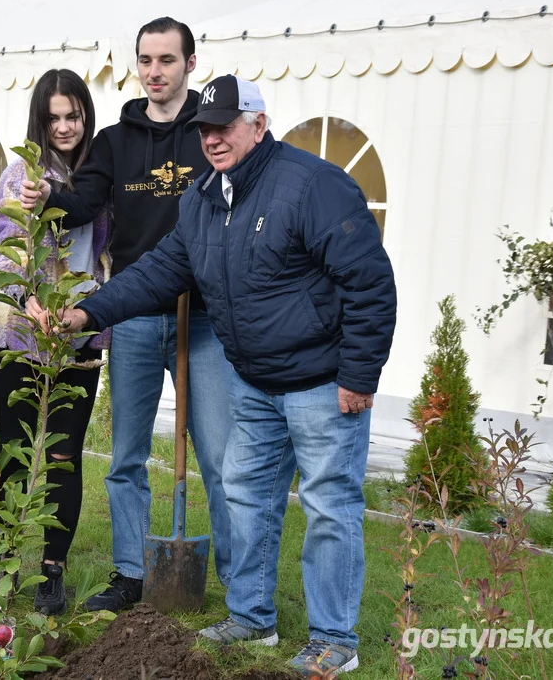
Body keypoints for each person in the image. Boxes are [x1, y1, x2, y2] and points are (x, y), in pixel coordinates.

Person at [28, 75, 397, 677]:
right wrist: (83, 313)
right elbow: (158, 271)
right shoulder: (204, 198)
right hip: (253, 379)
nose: (214, 138)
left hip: (322, 383)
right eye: (205, 128)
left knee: (330, 506)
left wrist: (359, 375)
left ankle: (334, 639)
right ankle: (252, 618)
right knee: (246, 496)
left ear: (259, 122)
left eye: (226, 125)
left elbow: (369, 283)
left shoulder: (312, 186)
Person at [19, 16, 233, 613]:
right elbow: (86, 199)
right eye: (146, 60)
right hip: (137, 313)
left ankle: (237, 582)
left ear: (191, 63)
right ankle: (130, 574)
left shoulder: (209, 134)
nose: (155, 72)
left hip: (208, 320)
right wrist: (51, 198)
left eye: (167, 60)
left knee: (218, 456)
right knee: (127, 457)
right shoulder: (115, 141)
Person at [0, 69, 112, 615]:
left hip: (79, 336)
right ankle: (1, 560)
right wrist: (31, 299)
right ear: (40, 120)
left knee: (63, 455)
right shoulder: (21, 177)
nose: (64, 126)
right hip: (20, 335)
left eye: (74, 115)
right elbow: (7, 240)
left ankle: (51, 572)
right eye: (54, 117)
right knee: (14, 453)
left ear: (85, 115)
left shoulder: (98, 180)